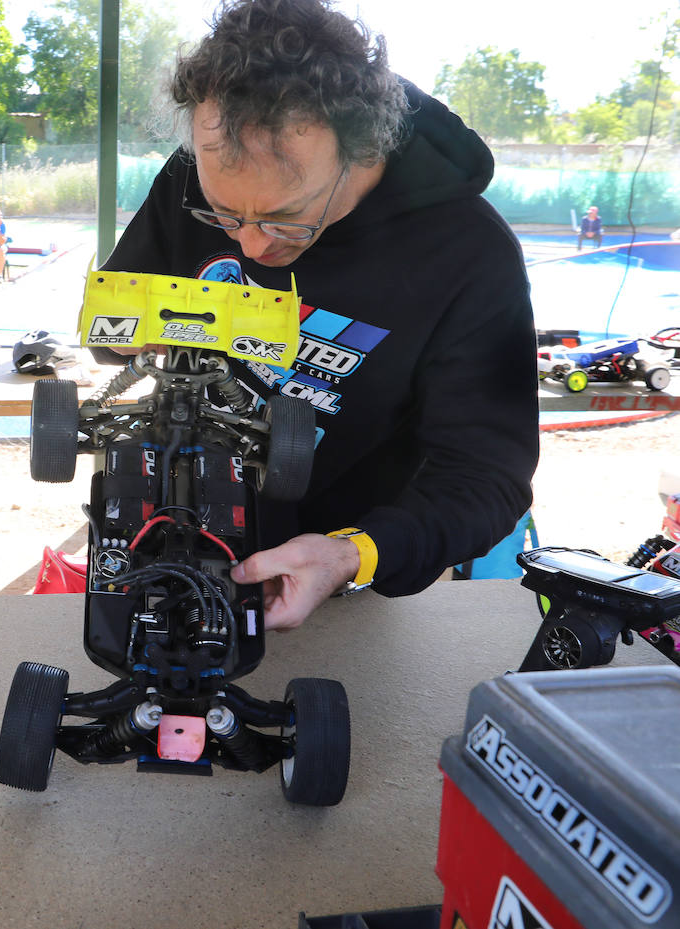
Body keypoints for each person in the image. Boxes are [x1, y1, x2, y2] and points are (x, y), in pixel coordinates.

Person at [97, 0, 539, 630]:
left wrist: (353, 555)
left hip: (340, 578)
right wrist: (126, 343)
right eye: (224, 215)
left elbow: (485, 477)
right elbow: (114, 326)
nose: (250, 246)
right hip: (170, 528)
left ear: (365, 149)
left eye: (286, 217)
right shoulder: (192, 175)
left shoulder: (468, 255)